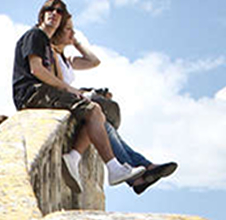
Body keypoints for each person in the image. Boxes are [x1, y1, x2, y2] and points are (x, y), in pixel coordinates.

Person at [12, 0, 144, 192]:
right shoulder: (35, 35)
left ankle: (75, 158)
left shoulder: (48, 45)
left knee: (94, 113)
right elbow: (36, 70)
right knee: (92, 110)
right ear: (42, 14)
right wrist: (69, 90)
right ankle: (112, 168)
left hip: (41, 93)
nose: (54, 14)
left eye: (59, 12)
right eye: (50, 9)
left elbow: (93, 61)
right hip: (32, 93)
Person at [51, 14, 176, 195]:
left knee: (104, 125)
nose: (72, 32)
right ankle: (141, 170)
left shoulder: (67, 60)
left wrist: (76, 42)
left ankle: (140, 172)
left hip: (76, 100)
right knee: (102, 123)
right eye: (68, 29)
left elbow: (94, 61)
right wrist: (87, 94)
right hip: (67, 102)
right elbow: (60, 84)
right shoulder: (53, 54)